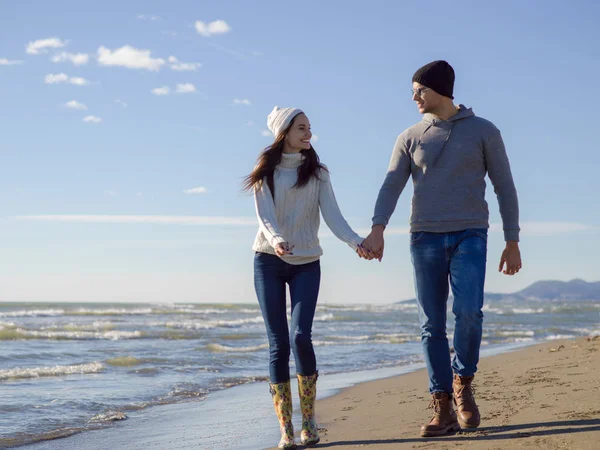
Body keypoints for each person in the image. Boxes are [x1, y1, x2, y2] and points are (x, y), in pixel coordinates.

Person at [361, 60, 522, 437]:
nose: (414, 96)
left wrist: (512, 240)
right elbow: (391, 186)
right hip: (424, 238)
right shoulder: (410, 136)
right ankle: (442, 404)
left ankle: (462, 383)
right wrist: (377, 229)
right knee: (431, 324)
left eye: (420, 89)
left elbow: (505, 186)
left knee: (468, 311)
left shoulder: (484, 131)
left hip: (470, 234)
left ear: (441, 90)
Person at [244, 106, 372, 449]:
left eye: (309, 128)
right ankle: (286, 428)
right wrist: (276, 240)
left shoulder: (318, 173)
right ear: (283, 132)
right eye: (301, 128)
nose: (308, 134)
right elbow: (265, 217)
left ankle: (309, 420)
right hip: (268, 261)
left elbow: (333, 215)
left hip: (306, 264)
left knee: (301, 336)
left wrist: (356, 242)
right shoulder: (265, 174)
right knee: (278, 344)